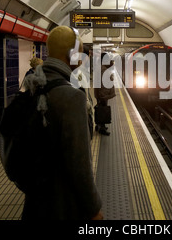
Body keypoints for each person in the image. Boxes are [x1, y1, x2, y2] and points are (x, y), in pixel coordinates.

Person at [21, 26, 103, 220]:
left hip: (34, 201)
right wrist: (93, 208)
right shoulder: (72, 96)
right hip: (62, 205)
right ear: (72, 53)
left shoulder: (32, 85)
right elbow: (80, 163)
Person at [94, 52, 116, 136]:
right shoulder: (103, 70)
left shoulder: (100, 67)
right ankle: (102, 128)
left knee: (100, 108)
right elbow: (103, 85)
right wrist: (103, 95)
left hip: (100, 93)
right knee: (103, 109)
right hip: (103, 94)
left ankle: (99, 125)